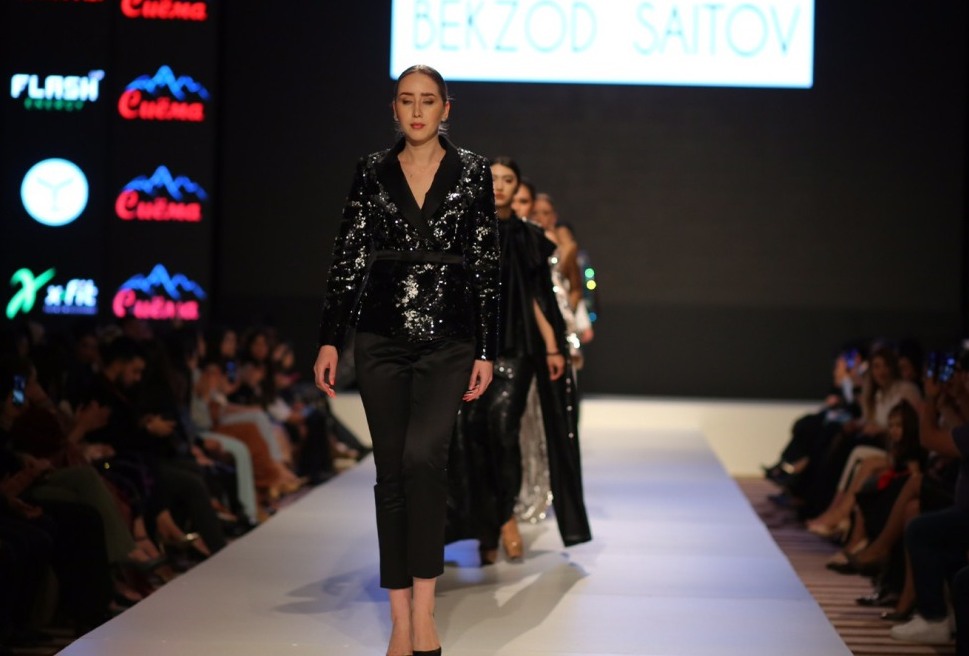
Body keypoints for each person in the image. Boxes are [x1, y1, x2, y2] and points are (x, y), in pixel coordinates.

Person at [313, 64, 499, 656]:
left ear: (447, 108)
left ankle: (426, 607)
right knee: (390, 471)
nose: (417, 111)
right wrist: (330, 338)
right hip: (380, 337)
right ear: (394, 108)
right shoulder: (372, 170)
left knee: (425, 460)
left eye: (428, 101)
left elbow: (486, 263)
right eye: (406, 100)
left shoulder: (473, 171)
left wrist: (487, 348)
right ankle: (401, 618)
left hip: (450, 339)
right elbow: (349, 254)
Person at [448, 156, 592, 565]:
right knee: (469, 437)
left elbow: (539, 298)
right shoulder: (465, 228)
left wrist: (552, 347)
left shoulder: (528, 237)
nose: (499, 185)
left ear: (517, 188)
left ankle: (504, 516)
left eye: (507, 179)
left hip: (516, 349)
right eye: (492, 178)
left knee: (502, 432)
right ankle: (483, 529)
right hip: (467, 351)